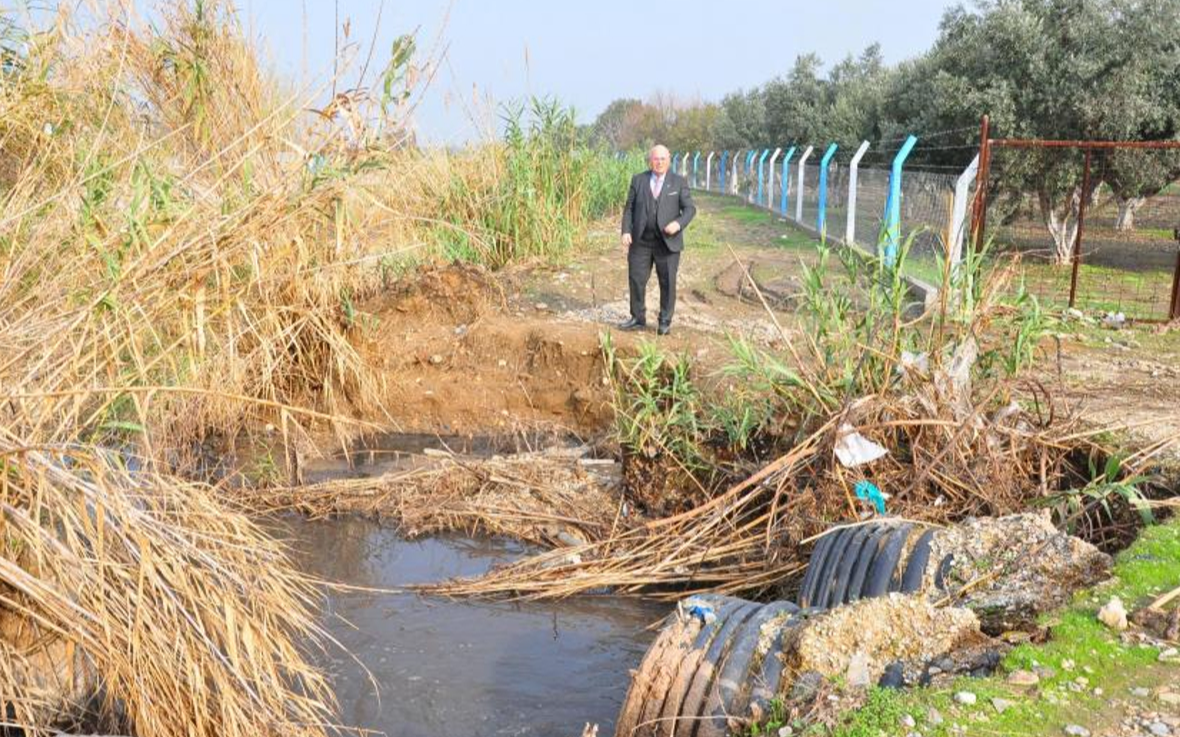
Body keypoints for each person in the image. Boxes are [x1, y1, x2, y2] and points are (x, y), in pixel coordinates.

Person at [619, 144, 696, 335]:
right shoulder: (638, 180)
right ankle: (637, 318)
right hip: (641, 241)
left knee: (667, 282)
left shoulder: (678, 182)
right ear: (650, 160)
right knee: (636, 279)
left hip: (667, 243)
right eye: (655, 159)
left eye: (663, 159)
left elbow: (689, 209)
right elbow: (629, 208)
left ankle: (664, 321)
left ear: (669, 160)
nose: (659, 162)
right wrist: (626, 231)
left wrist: (678, 224)